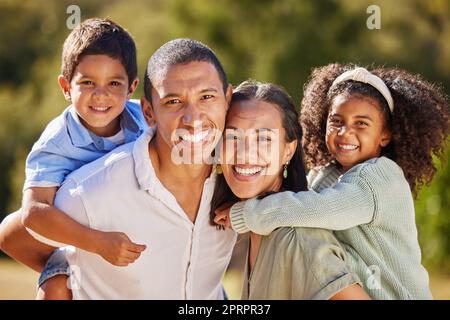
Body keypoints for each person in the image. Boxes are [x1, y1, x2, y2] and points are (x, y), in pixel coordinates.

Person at [11, 38, 236, 299]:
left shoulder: (240, 176)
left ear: (227, 98)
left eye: (206, 97)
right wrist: (76, 265)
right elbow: (19, 229)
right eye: (174, 102)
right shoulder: (82, 184)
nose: (193, 118)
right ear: (150, 113)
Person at [216, 65, 449, 299]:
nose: (345, 132)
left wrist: (247, 214)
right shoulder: (328, 174)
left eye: (361, 123)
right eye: (337, 121)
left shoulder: (380, 177)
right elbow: (302, 199)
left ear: (385, 134)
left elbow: (315, 208)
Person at [0, 18, 148, 299]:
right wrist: (97, 243)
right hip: (79, 243)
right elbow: (33, 212)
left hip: (137, 235)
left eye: (114, 82)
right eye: (88, 82)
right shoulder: (56, 142)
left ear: (132, 87)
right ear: (66, 86)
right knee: (54, 289)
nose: (101, 94)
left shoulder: (146, 120)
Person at [211, 80, 370, 299]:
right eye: (232, 137)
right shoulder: (257, 229)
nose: (245, 153)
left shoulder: (297, 241)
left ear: (288, 150)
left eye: (264, 139)